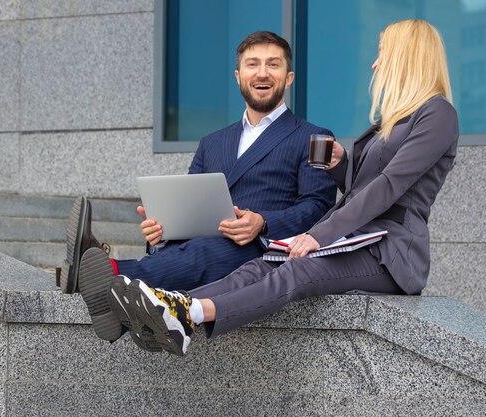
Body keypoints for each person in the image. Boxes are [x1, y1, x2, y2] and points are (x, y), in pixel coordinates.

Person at [101, 19, 460, 356]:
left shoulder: (438, 113)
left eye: (382, 53)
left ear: (405, 56)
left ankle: (191, 312)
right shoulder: (394, 119)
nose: (375, 65)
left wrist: (320, 234)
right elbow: (361, 187)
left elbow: (388, 187)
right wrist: (341, 167)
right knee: (260, 267)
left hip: (390, 254)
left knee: (297, 270)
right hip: (357, 239)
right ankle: (168, 308)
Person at [62, 31, 337, 346]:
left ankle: (104, 270)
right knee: (189, 248)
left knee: (206, 251)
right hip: (201, 244)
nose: (262, 72)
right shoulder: (212, 142)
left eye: (272, 65)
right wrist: (162, 228)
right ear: (238, 76)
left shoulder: (315, 137)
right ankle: (112, 306)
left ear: (288, 78)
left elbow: (317, 207)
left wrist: (263, 222)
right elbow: (190, 201)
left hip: (266, 249)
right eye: (252, 64)